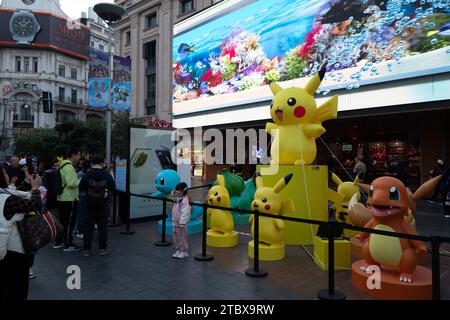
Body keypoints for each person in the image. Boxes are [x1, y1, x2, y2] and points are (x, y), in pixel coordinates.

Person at [0, 167, 42, 301]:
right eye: (5, 173)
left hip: (6, 251)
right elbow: (34, 205)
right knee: (16, 289)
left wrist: (26, 182)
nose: (7, 175)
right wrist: (36, 189)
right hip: (13, 252)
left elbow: (15, 193)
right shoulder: (6, 200)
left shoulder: (5, 196)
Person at [80, 156, 115, 257]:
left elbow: (81, 188)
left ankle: (87, 250)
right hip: (103, 204)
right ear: (102, 163)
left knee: (88, 228)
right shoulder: (107, 175)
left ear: (91, 163)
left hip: (89, 204)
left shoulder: (87, 175)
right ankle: (102, 249)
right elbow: (113, 187)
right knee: (102, 227)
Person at [55, 147, 81, 252]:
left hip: (61, 198)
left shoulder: (62, 165)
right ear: (73, 155)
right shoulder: (69, 167)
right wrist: (80, 179)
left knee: (63, 221)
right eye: (78, 155)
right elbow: (71, 183)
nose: (79, 157)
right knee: (69, 222)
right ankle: (68, 244)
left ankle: (60, 242)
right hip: (69, 198)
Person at [171, 182, 192, 259]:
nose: (176, 191)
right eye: (176, 190)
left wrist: (182, 222)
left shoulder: (184, 200)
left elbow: (185, 211)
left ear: (183, 191)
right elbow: (173, 197)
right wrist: (173, 192)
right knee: (175, 236)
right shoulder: (178, 198)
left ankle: (184, 251)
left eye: (178, 190)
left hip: (181, 223)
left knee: (182, 237)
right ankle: (178, 249)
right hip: (176, 222)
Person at [76, 160, 91, 240]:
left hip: (80, 194)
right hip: (89, 195)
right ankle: (87, 229)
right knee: (87, 213)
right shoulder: (90, 174)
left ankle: (80, 231)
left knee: (80, 214)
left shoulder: (79, 174)